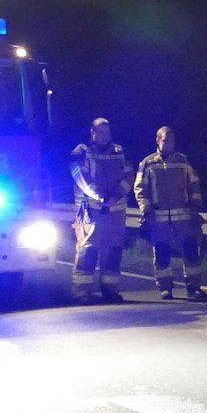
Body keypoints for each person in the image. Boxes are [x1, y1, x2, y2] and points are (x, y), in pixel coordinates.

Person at [134, 125, 207, 300]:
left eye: (172, 140)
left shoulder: (183, 161)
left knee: (190, 251)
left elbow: (194, 185)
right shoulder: (147, 164)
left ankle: (194, 287)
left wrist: (196, 208)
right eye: (166, 140)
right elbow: (140, 189)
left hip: (183, 217)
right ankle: (165, 288)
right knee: (161, 253)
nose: (170, 144)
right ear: (158, 141)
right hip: (158, 218)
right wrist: (146, 210)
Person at [69, 117, 131, 303]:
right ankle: (82, 292)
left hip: (116, 211)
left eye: (107, 132)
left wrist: (117, 194)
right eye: (100, 132)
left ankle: (110, 290)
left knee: (113, 250)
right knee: (88, 249)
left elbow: (129, 175)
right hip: (91, 211)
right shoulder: (81, 152)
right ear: (92, 132)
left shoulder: (119, 151)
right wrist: (101, 197)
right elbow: (81, 177)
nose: (104, 136)